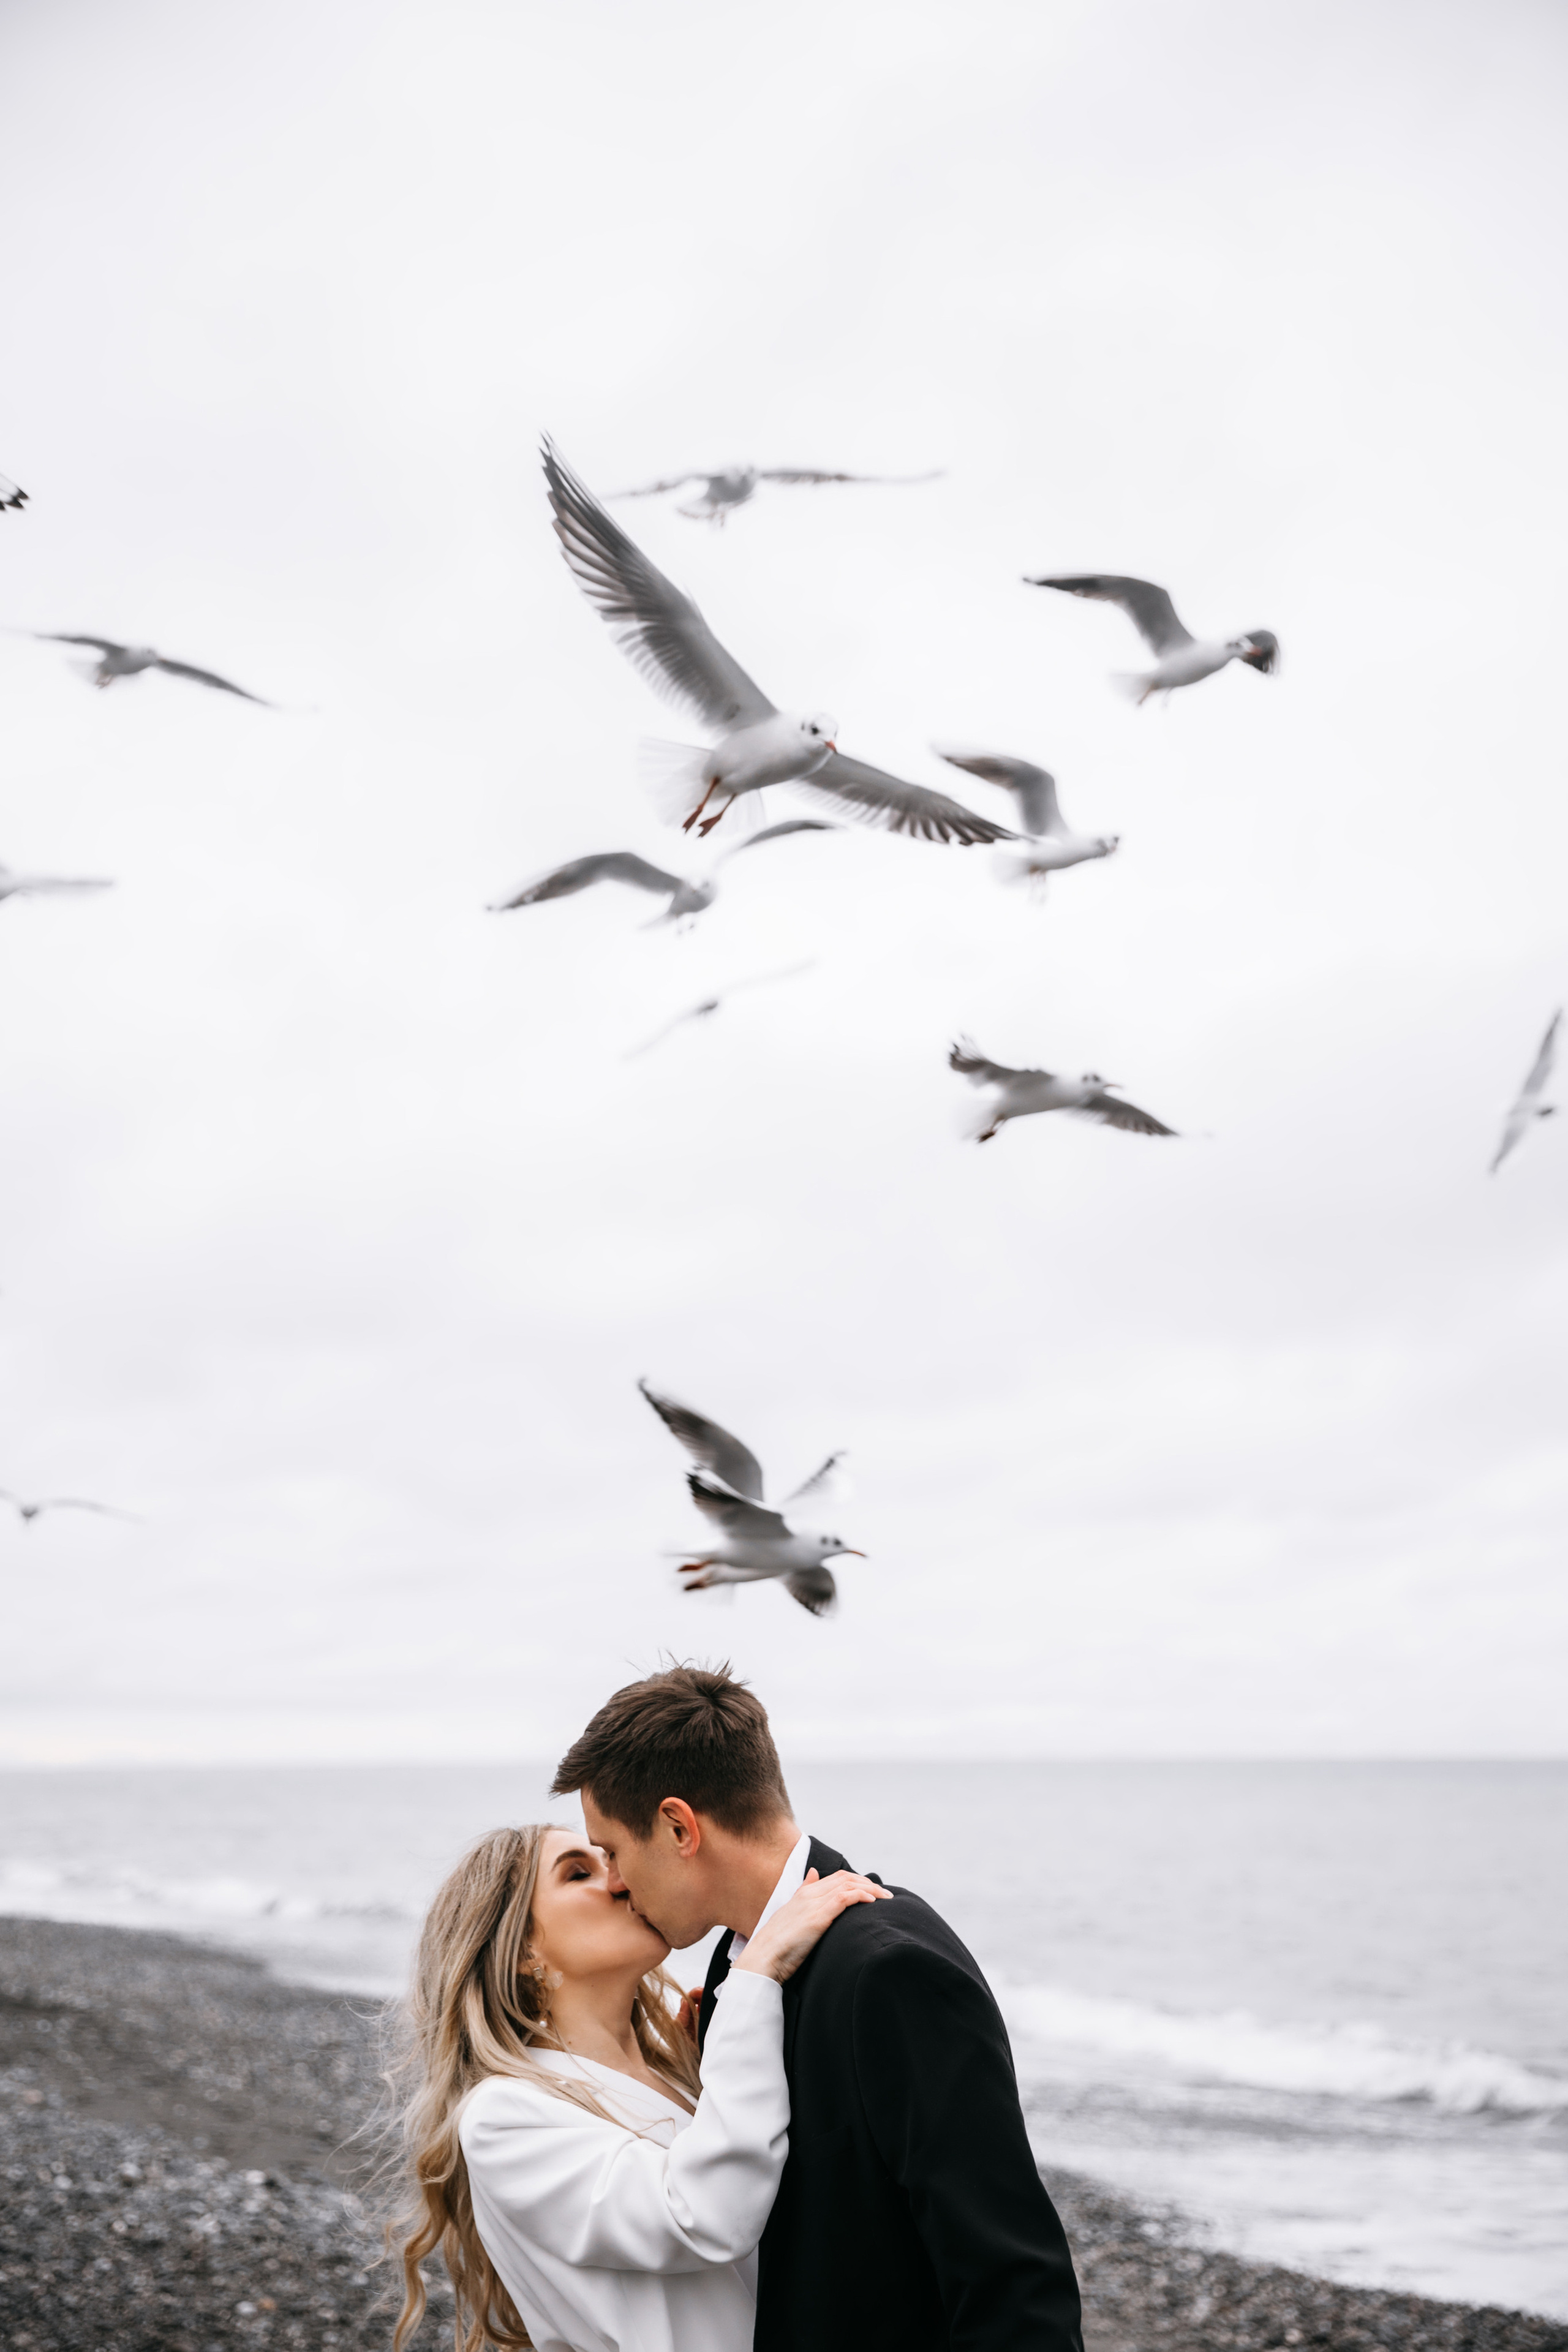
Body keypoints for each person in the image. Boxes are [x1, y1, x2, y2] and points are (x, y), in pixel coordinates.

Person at [551, 1663, 1084, 2352]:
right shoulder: (732, 1968)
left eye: (613, 1852)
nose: (616, 1883)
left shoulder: (889, 1969)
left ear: (679, 1827)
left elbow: (1010, 2272)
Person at [391, 1818, 888, 2352]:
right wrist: (757, 1974)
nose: (621, 1879)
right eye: (579, 1873)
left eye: (611, 1857)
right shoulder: (502, 2116)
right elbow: (703, 2216)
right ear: (521, 1953)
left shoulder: (683, 2073)